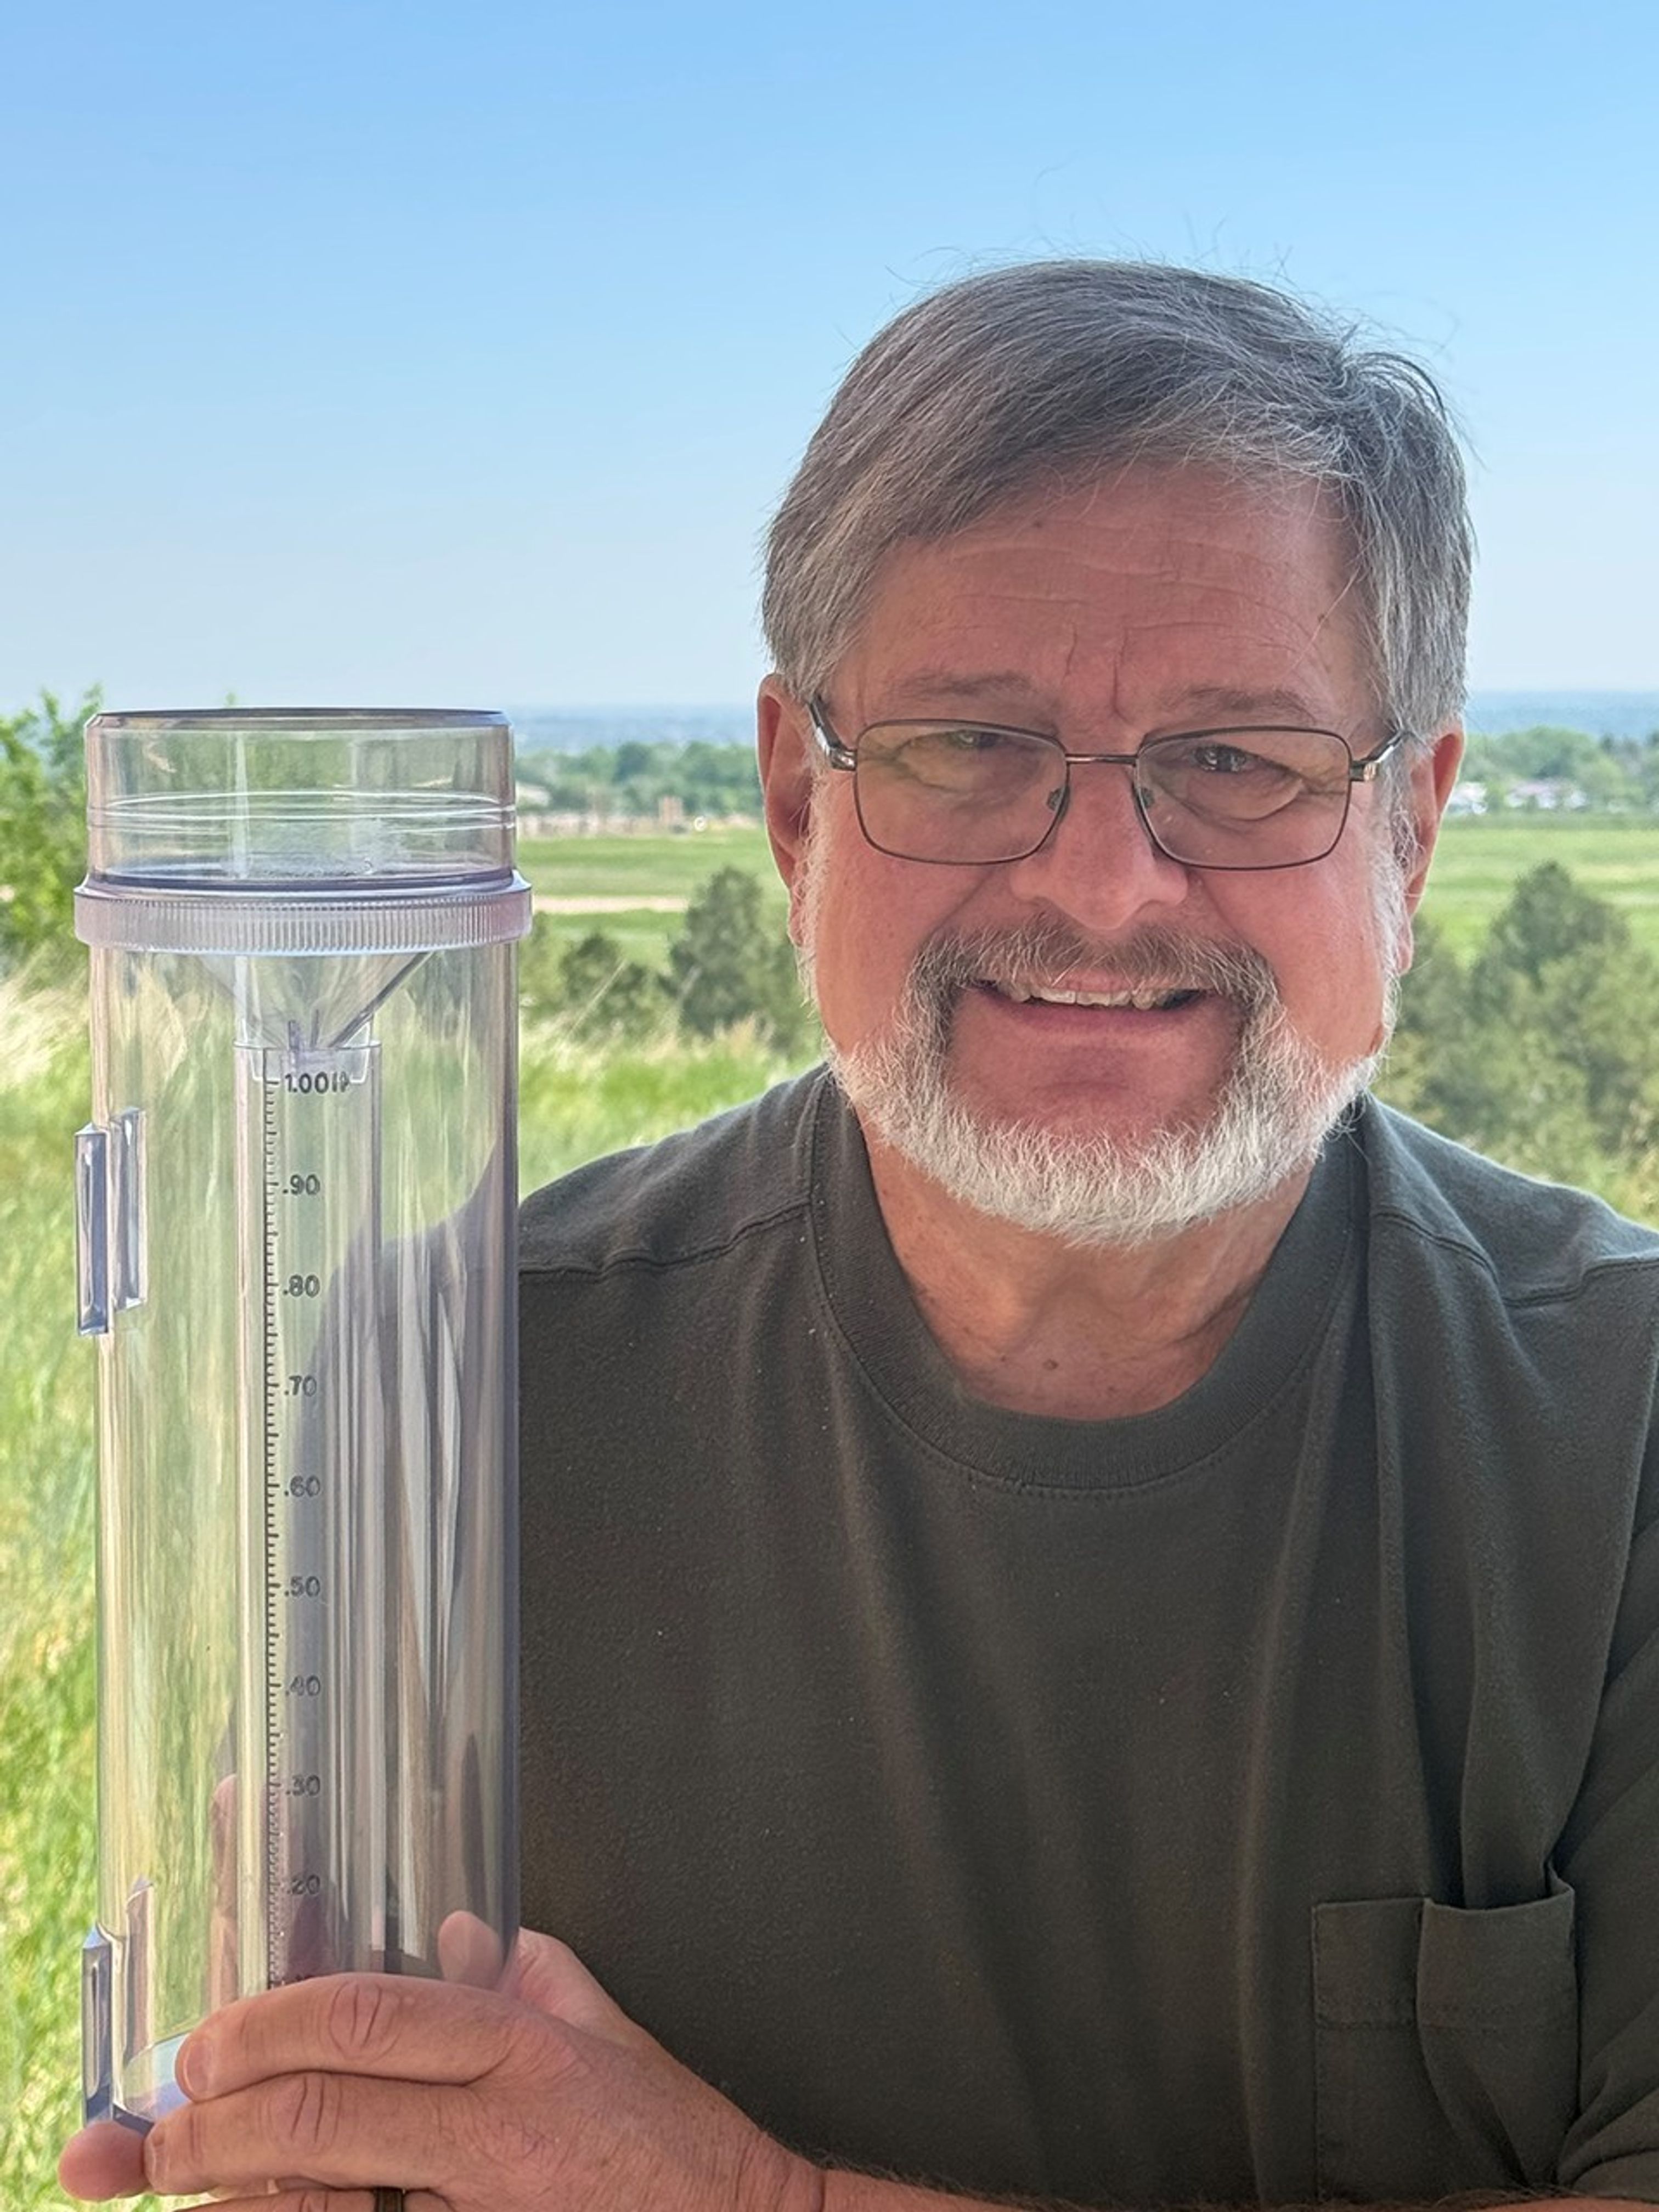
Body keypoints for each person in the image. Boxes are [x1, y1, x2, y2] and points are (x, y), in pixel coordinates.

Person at [61, 262, 1659, 2210]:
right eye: (967, 745)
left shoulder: (1624, 1430)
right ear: (792, 803)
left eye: (1238, 759)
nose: (1098, 884)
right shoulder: (461, 1388)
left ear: (1409, 829)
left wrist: (756, 2202)